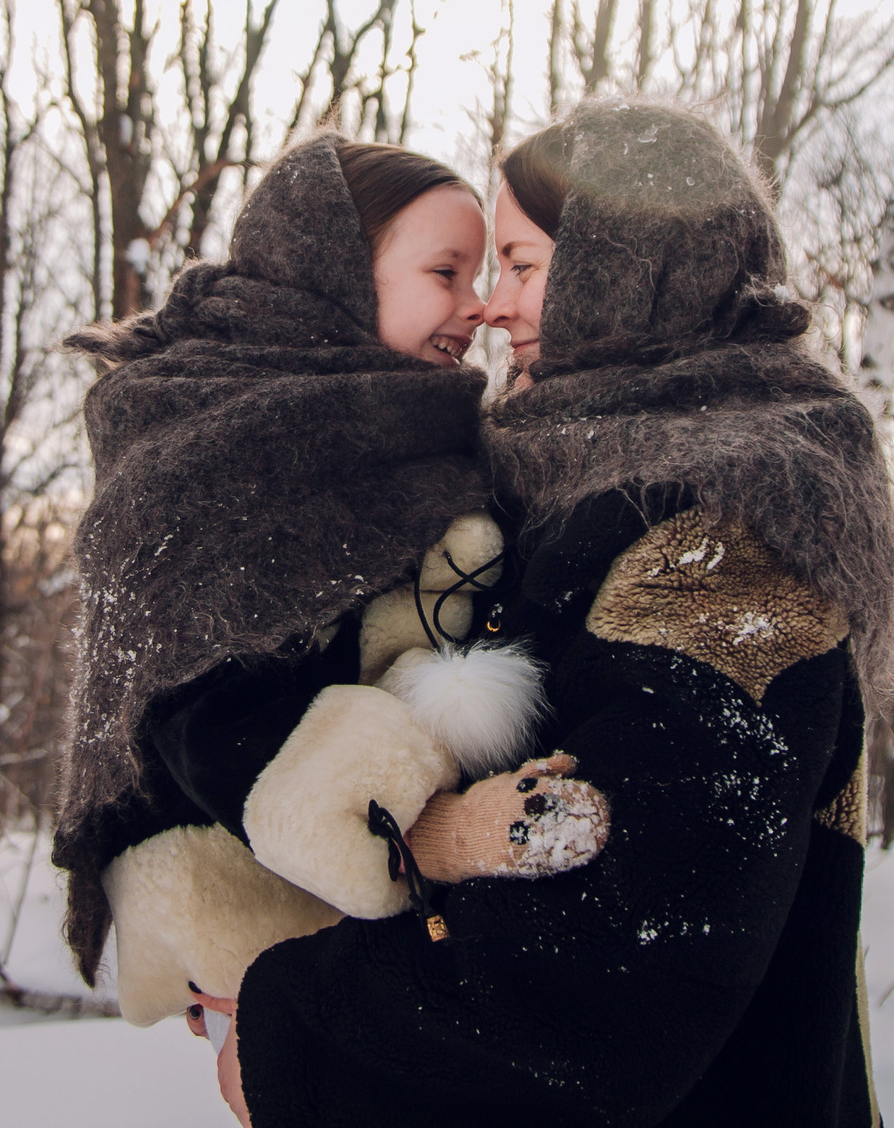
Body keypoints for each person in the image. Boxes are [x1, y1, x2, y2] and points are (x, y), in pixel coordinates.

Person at [209, 100, 894, 1128]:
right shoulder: (577, 497)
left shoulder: (722, 540)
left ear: (624, 272)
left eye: (523, 266)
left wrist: (298, 1035)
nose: (493, 308)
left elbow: (616, 969)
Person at [53, 132, 592, 1030]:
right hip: (260, 916)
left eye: (482, 275)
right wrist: (435, 834)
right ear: (334, 271)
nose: (478, 308)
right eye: (446, 273)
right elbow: (200, 714)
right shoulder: (207, 441)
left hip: (389, 940)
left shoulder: (431, 437)